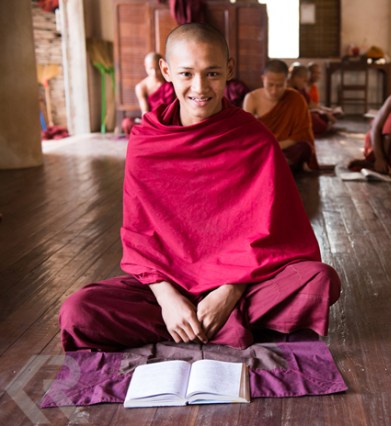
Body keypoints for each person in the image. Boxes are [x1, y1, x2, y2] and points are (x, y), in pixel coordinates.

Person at [59, 23, 341, 352]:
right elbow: (140, 236)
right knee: (78, 312)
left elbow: (277, 232)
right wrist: (167, 300)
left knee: (320, 281)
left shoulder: (254, 139)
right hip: (170, 282)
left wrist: (229, 291)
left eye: (212, 74)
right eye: (186, 74)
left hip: (243, 281)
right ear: (166, 71)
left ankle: (207, 321)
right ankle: (202, 322)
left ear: (229, 71)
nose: (200, 87)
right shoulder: (146, 142)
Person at [243, 60, 319, 172]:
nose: (274, 91)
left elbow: (302, 134)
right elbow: (246, 135)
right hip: (263, 150)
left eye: (279, 86)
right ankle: (277, 167)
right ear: (263, 79)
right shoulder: (252, 99)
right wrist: (267, 149)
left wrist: (276, 146)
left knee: (304, 147)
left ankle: (274, 167)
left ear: (287, 82)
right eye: (270, 85)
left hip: (285, 149)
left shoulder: (296, 98)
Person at [121, 52, 176, 136]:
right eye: (151, 68)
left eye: (157, 68)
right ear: (145, 67)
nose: (154, 73)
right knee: (127, 123)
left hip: (170, 119)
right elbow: (145, 112)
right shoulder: (142, 87)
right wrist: (151, 124)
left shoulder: (171, 81)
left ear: (162, 66)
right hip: (152, 121)